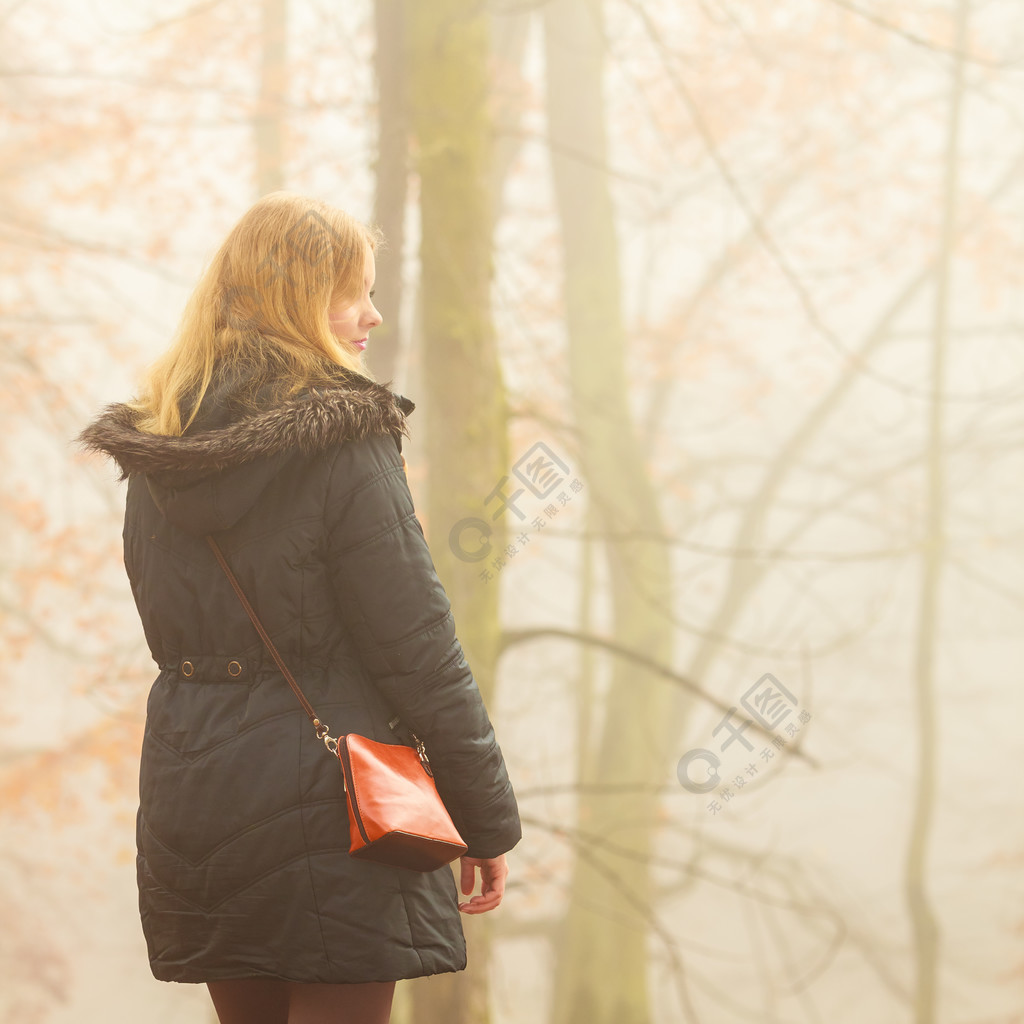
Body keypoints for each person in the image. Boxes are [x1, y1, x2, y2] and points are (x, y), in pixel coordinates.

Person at [78, 191, 522, 1024]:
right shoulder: (345, 440)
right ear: (299, 303)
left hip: (198, 788)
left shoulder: (158, 444)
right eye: (354, 293)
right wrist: (486, 818)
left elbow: (173, 632)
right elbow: (417, 645)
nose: (374, 316)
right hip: (338, 802)